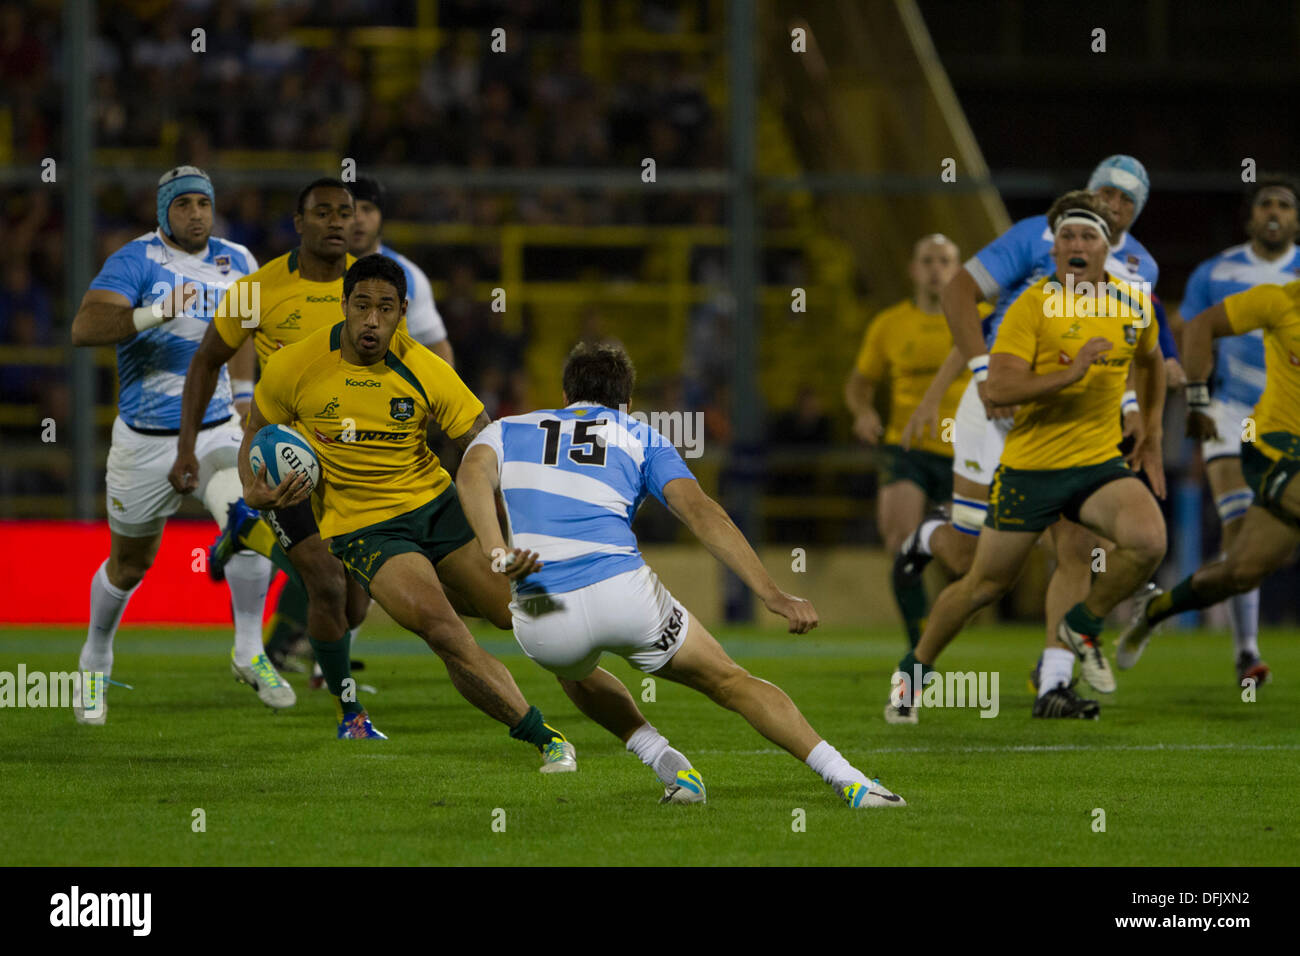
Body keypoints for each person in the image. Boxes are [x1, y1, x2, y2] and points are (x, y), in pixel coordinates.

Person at [457, 341, 906, 808]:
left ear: (566, 393)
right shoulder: (643, 436)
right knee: (731, 682)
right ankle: (851, 781)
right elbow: (701, 513)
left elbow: (470, 475)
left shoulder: (509, 429)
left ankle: (668, 765)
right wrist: (771, 593)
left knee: (575, 671)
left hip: (541, 613)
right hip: (624, 597)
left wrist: (497, 551)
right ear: (625, 401)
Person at [243, 253, 573, 761]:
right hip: (365, 529)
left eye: (385, 308)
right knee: (443, 630)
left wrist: (516, 529)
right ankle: (543, 738)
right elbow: (253, 437)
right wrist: (252, 491)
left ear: (402, 312)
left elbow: (485, 449)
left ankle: (430, 581)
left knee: (514, 616)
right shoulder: (294, 365)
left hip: (435, 506)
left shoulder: (425, 369)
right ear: (344, 305)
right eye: (361, 306)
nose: (372, 320)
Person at [892, 157, 1171, 700]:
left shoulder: (1139, 279)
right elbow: (961, 301)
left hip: (1072, 433)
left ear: (1129, 221)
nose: (1113, 206)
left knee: (1079, 549)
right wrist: (979, 376)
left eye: (1125, 201)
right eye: (1106, 193)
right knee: (975, 570)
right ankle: (929, 540)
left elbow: (1139, 353)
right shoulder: (1031, 254)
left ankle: (1054, 682)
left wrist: (1140, 414)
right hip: (998, 409)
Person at [68, 165, 288, 724]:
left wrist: (242, 393)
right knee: (130, 564)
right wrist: (152, 312)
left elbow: (243, 332)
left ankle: (249, 650)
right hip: (144, 440)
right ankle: (95, 658)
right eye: (184, 204)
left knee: (250, 520)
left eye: (204, 204)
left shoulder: (238, 260)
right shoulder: (136, 260)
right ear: (164, 210)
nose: (196, 214)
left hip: (215, 428)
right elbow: (84, 329)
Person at [171, 178, 379, 733]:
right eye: (323, 213)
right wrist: (188, 446)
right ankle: (350, 714)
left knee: (357, 606)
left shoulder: (369, 287)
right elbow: (205, 361)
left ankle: (246, 532)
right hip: (288, 457)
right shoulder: (257, 288)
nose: (336, 222)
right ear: (299, 223)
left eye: (345, 212)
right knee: (328, 587)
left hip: (357, 462)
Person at [1117, 279, 1300, 673]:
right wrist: (1198, 402)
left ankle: (1157, 608)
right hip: (1272, 446)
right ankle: (1246, 652)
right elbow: (1201, 326)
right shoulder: (1278, 300)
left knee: (1240, 573)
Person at [1168, 176, 1300, 686]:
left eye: (1284, 205)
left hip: (1289, 423)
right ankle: (1247, 650)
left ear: (1294, 219)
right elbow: (1191, 328)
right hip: (1230, 413)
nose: (1273, 212)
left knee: (1270, 546)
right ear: (1250, 218)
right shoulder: (1216, 270)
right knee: (1238, 522)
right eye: (1264, 203)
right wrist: (1193, 398)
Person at [844, 234, 971, 645]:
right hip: (907, 449)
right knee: (899, 544)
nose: (936, 268)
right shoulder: (890, 324)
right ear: (914, 270)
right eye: (928, 260)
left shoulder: (980, 318)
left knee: (961, 561)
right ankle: (918, 642)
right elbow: (859, 383)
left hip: (966, 455)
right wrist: (863, 412)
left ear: (957, 270)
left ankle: (938, 625)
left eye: (945, 261)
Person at [347, 176, 454, 365]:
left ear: (382, 218)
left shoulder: (409, 276)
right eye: (349, 210)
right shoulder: (311, 271)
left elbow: (436, 347)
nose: (359, 219)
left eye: (367, 209)